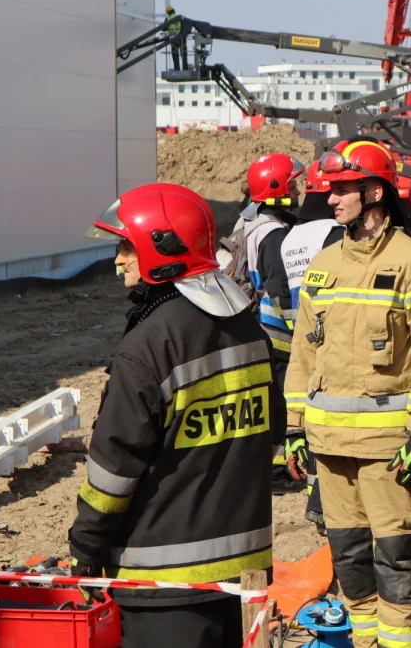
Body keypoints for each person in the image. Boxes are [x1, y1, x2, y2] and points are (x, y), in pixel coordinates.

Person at [70, 183, 283, 648]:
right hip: (242, 573)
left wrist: (84, 551)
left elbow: (113, 471)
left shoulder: (148, 347)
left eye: (126, 246)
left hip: (162, 582)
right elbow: (270, 433)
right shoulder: (247, 327)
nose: (117, 261)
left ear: (159, 249)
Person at [284, 137, 411, 648]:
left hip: (390, 451)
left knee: (396, 560)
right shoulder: (324, 264)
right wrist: (294, 429)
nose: (331, 200)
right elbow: (303, 354)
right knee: (350, 560)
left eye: (342, 190)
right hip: (330, 447)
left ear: (375, 192)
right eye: (331, 190)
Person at [280, 160, 344, 531]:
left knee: (312, 419)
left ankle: (315, 502)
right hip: (330, 336)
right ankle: (325, 505)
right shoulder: (334, 233)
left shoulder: (291, 236)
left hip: (300, 334)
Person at [245, 153, 306, 493]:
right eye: (293, 185)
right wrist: (302, 333)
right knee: (282, 402)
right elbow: (280, 289)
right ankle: (278, 469)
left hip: (262, 331)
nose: (297, 191)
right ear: (275, 190)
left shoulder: (255, 225)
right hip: (277, 335)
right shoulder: (273, 234)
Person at [165, 5, 187, 71]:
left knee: (175, 55)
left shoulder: (168, 19)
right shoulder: (180, 17)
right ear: (174, 11)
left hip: (173, 39)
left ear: (168, 12)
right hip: (181, 38)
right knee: (184, 54)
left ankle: (177, 68)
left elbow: (163, 28)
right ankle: (185, 68)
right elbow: (185, 26)